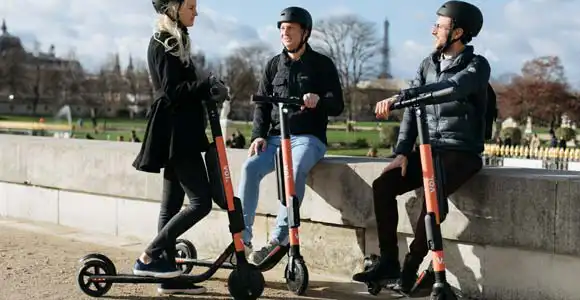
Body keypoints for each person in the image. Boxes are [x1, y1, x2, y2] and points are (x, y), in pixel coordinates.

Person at [352, 0, 490, 293]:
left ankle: (411, 266)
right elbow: (412, 113)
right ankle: (388, 260)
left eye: (439, 26)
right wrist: (402, 151)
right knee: (384, 185)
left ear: (458, 32)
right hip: (429, 149)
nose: (433, 31)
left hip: (461, 151)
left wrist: (404, 95)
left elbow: (453, 88)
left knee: (431, 199)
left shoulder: (477, 66)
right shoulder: (428, 64)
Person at [130, 0, 228, 295]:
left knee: (171, 205)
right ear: (173, 8)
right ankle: (149, 256)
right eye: (191, 6)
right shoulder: (164, 41)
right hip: (176, 132)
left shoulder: (176, 37)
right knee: (200, 202)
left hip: (180, 129)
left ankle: (167, 275)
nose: (196, 12)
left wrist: (206, 90)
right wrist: (205, 84)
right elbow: (171, 90)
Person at [238, 6, 344, 264]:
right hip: (275, 138)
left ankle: (280, 238)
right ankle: (242, 239)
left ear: (304, 33)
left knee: (293, 171)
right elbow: (262, 106)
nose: (285, 33)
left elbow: (337, 104)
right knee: (250, 168)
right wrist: (258, 135)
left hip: (308, 138)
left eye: (290, 29)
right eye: (282, 29)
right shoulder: (273, 65)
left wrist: (318, 100)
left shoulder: (321, 64)